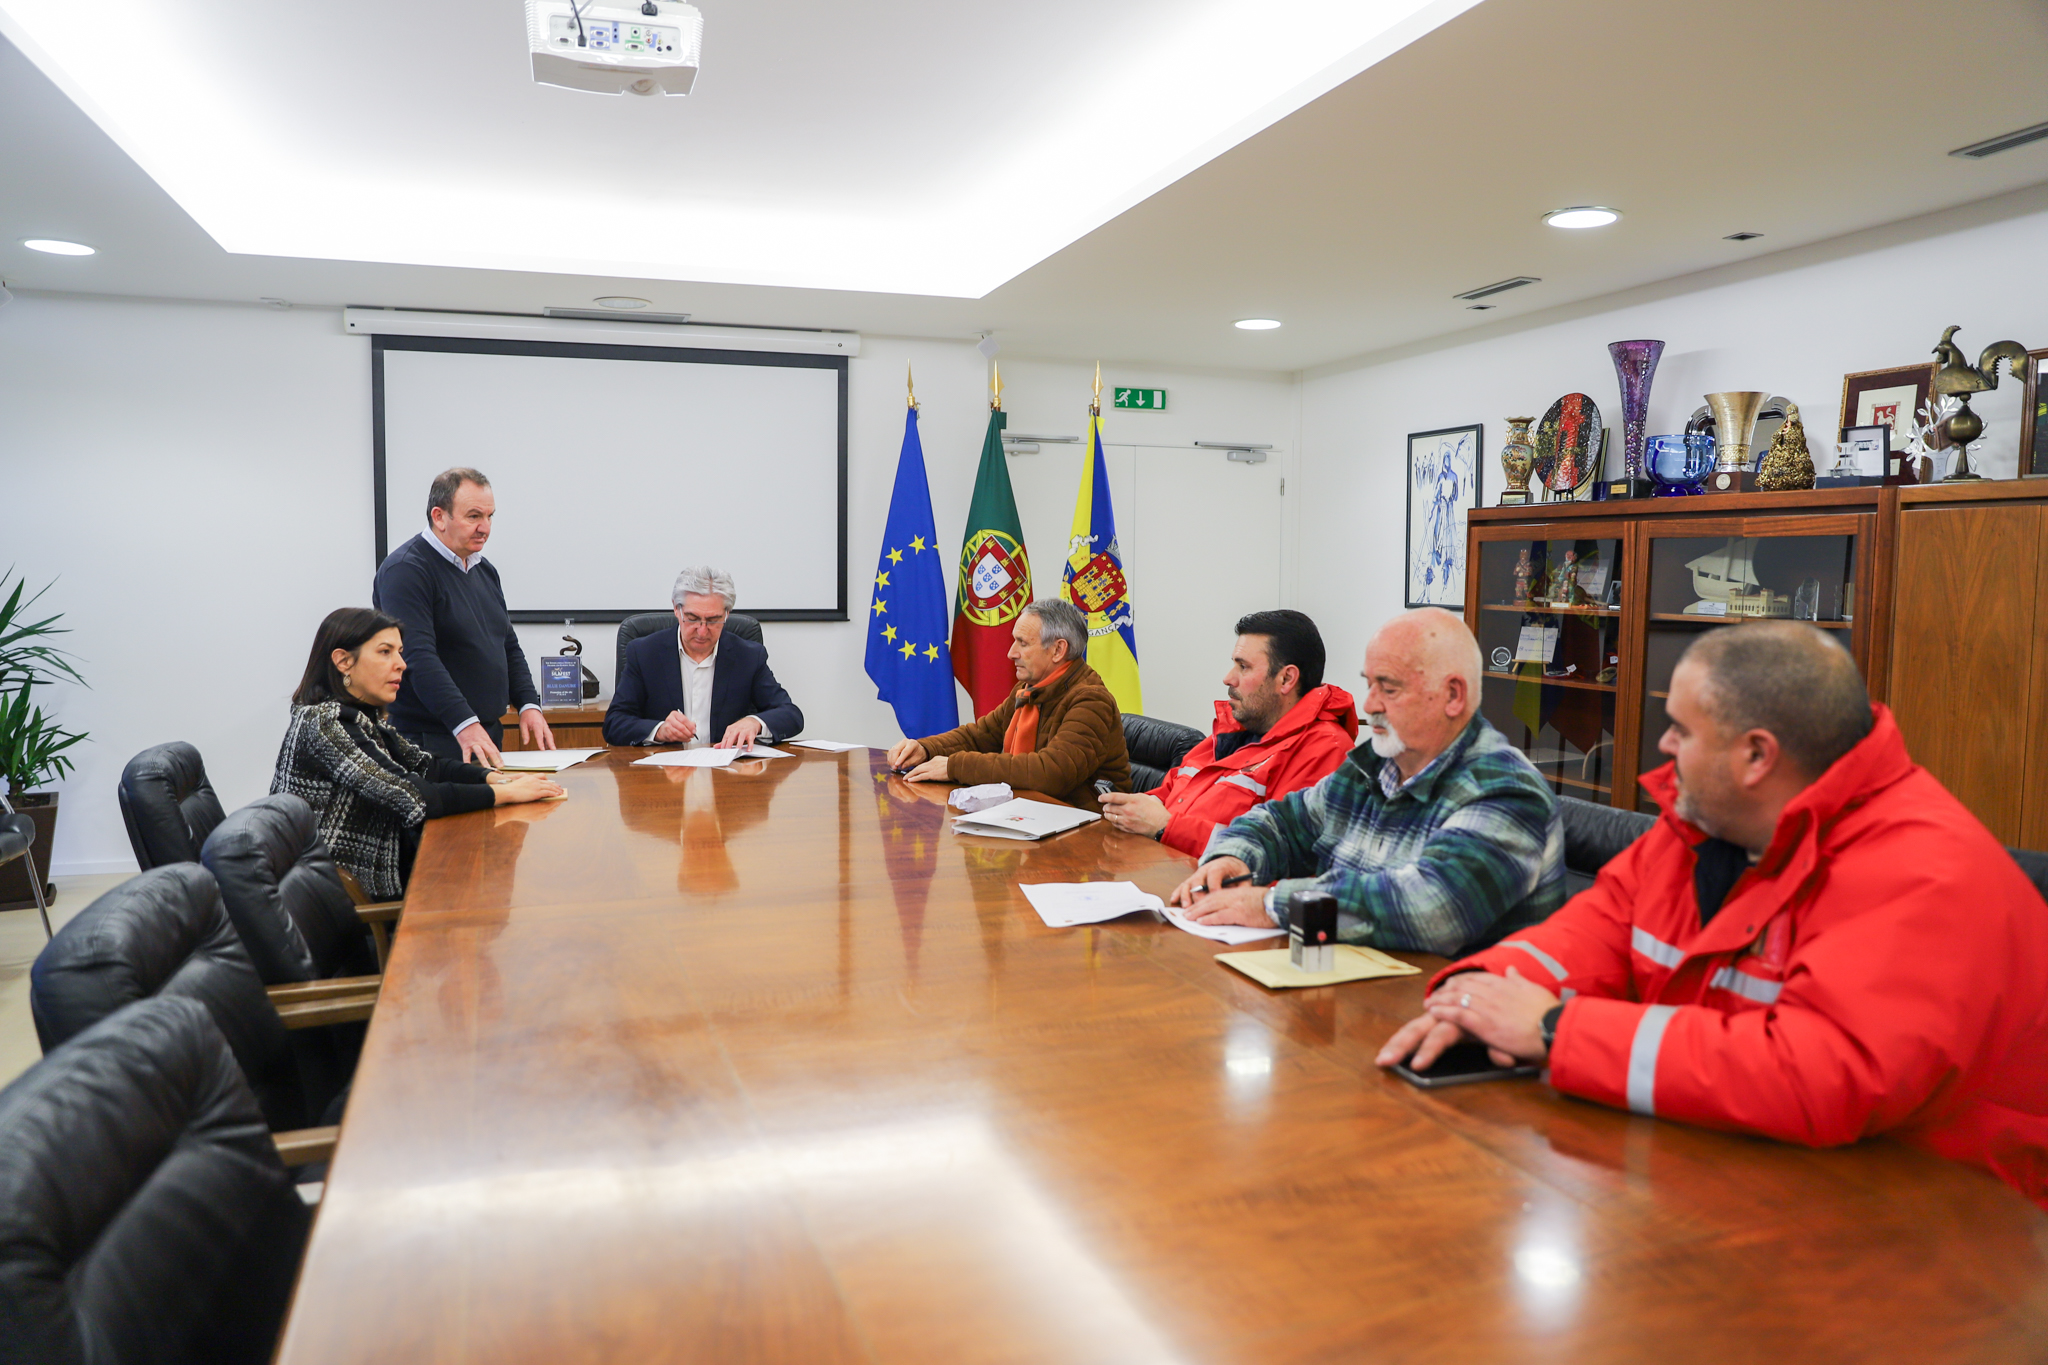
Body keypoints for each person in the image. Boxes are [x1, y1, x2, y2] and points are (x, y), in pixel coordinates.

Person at [1376, 621, 2048, 1207]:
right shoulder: (1708, 825)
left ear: (1756, 755)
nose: (1664, 746)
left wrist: (1556, 1029)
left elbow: (1820, 1075)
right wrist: (1477, 997)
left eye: (1681, 729)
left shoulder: (1924, 874)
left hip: (1946, 1227)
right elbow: (1593, 932)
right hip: (1749, 1176)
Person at [1169, 606, 1561, 954]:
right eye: (1369, 684)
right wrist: (1232, 858)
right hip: (1346, 981)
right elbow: (1281, 822)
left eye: (1388, 688)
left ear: (1453, 695)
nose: (1370, 704)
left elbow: (1430, 908)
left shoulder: (1506, 792)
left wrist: (1271, 905)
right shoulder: (1374, 766)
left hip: (1446, 1002)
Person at [272, 608, 564, 899]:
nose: (401, 664)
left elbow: (428, 767)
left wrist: (496, 778)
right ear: (343, 661)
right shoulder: (324, 723)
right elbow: (413, 797)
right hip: (348, 902)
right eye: (385, 652)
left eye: (400, 652)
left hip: (375, 885)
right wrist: (508, 793)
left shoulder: (362, 718)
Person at [1100, 610, 1357, 855]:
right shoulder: (1234, 731)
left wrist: (1166, 827)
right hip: (1165, 870)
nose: (1228, 678)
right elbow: (1174, 792)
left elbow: (1279, 856)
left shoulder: (1324, 751)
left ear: (1287, 679)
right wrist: (1141, 807)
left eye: (1243, 667)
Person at [373, 467, 554, 769]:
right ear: (439, 517)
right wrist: (464, 722)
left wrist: (528, 703)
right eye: (474, 516)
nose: (485, 527)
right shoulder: (406, 570)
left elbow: (507, 645)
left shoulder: (484, 570)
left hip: (483, 732)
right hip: (433, 738)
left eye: (490, 516)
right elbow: (418, 656)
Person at [887, 598, 1130, 810]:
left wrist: (955, 766)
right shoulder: (1029, 689)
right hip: (1035, 817)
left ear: (1058, 650)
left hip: (1089, 831)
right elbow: (979, 736)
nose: (1011, 653)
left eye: (1022, 643)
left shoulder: (1091, 700)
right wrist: (925, 748)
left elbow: (1051, 773)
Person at [603, 566, 804, 749]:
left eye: (713, 620)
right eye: (692, 619)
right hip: (664, 772)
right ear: (676, 609)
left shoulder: (748, 656)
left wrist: (755, 723)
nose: (702, 631)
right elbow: (614, 723)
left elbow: (790, 714)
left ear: (727, 614)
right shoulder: (645, 653)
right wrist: (659, 730)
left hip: (727, 770)